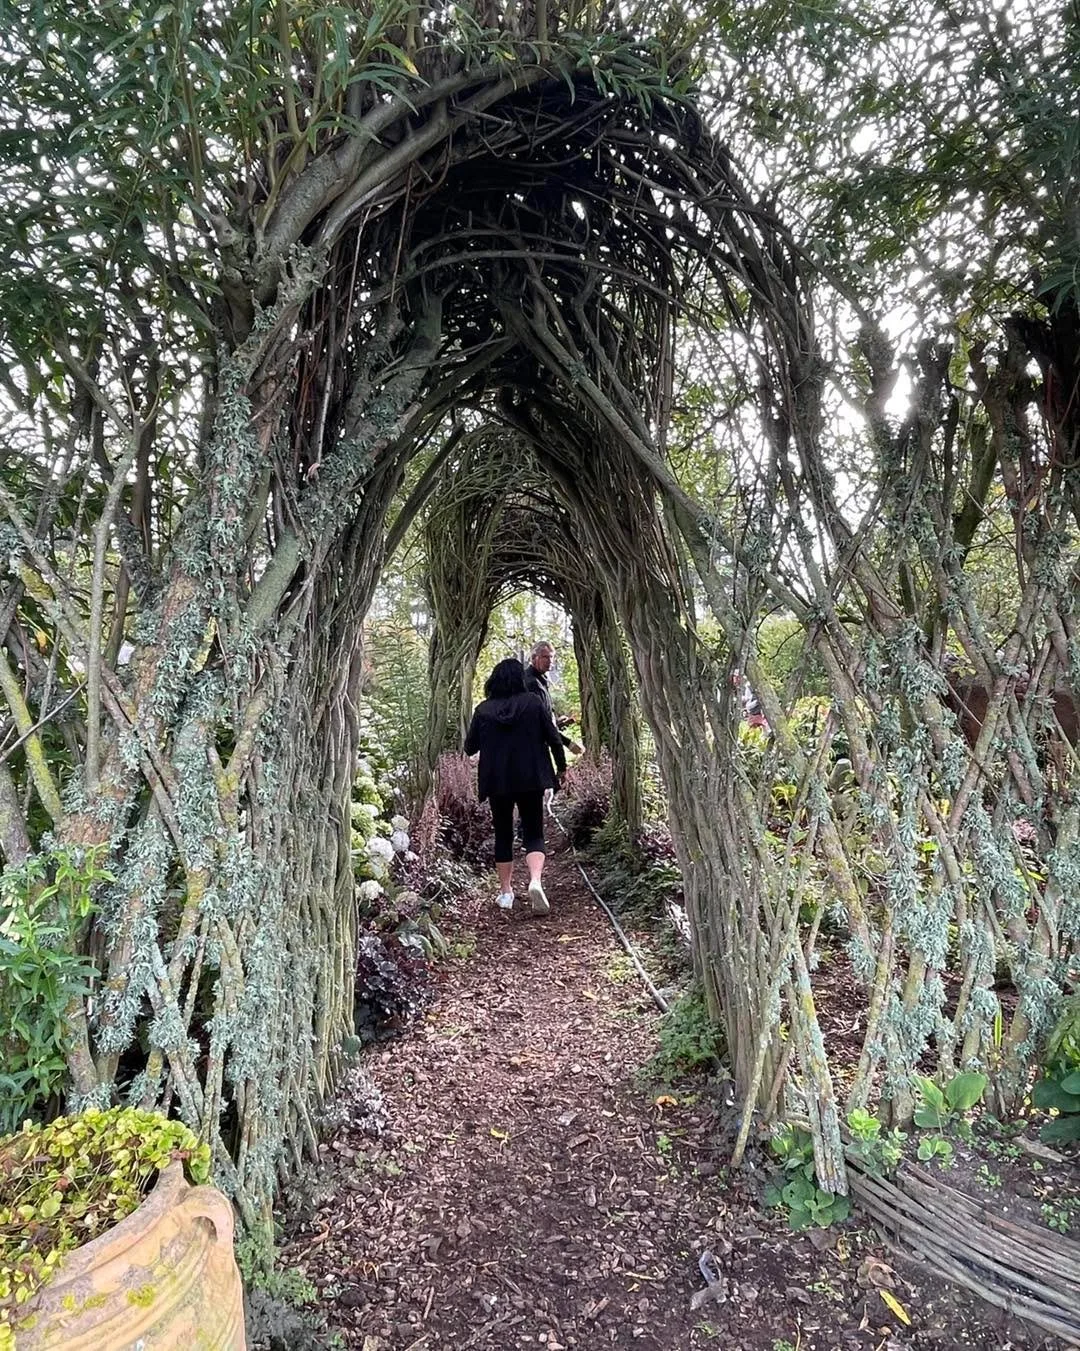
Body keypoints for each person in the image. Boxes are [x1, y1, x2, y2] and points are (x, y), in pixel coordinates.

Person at [464, 657, 567, 915]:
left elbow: (470, 747)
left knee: (503, 834)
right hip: (531, 778)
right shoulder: (533, 703)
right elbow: (554, 739)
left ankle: (506, 893)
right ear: (520, 680)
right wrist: (561, 769)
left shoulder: (483, 710)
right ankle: (534, 881)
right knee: (534, 832)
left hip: (497, 781)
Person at [525, 641, 584, 755]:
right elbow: (540, 722)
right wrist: (568, 744)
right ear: (533, 658)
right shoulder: (531, 683)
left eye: (551, 657)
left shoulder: (541, 680)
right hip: (532, 747)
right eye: (545, 657)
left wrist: (557, 722)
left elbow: (546, 717)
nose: (550, 661)